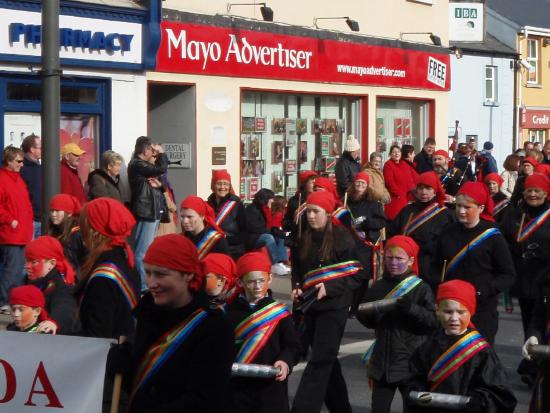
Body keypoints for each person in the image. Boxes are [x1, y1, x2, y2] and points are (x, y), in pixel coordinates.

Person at [125, 234, 234, 412]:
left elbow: (205, 398)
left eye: (161, 274)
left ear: (188, 275)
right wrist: (125, 368)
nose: (151, 283)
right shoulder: (148, 312)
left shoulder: (214, 327)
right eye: (148, 272)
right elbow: (143, 384)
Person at [290, 191, 362, 413]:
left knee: (320, 361)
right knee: (328, 359)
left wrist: (329, 287)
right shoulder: (304, 237)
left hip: (335, 306)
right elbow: (298, 270)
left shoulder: (344, 239)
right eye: (308, 211)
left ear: (328, 213)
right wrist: (296, 288)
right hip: (310, 306)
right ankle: (341, 408)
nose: (311, 216)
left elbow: (356, 274)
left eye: (316, 212)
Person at [407, 280, 517, 413]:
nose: (454, 318)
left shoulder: (481, 352)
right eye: (448, 312)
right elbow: (413, 378)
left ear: (471, 312)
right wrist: (416, 388)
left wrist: (480, 399)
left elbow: (500, 393)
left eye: (461, 312)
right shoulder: (427, 347)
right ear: (438, 311)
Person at [358, 235, 437, 413]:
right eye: (389, 258)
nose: (393, 263)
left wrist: (411, 309)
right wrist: (367, 313)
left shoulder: (421, 288)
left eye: (399, 259)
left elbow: (432, 322)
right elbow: (366, 318)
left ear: (410, 261)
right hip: (382, 364)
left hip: (411, 364)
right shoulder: (377, 286)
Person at [433, 182, 516, 344]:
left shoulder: (492, 236)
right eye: (458, 206)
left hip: (481, 308)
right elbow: (435, 266)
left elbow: (508, 274)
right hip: (451, 308)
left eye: (467, 207)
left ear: (481, 208)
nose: (461, 211)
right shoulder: (448, 232)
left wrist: (483, 290)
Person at [226, 251, 298, 413]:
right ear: (240, 281)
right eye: (251, 282)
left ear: (270, 278)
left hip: (270, 389)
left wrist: (285, 362)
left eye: (261, 280)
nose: (257, 286)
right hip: (237, 388)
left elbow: (292, 346)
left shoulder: (279, 312)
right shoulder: (229, 313)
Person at [75, 197, 140, 339]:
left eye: (84, 228)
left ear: (94, 232)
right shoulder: (125, 260)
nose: (81, 234)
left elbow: (98, 335)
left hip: (109, 357)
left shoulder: (103, 279)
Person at [388, 172, 455, 285]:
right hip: (404, 265)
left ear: (435, 190)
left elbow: (447, 244)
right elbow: (392, 232)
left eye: (428, 188)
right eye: (420, 188)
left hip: (429, 267)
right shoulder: (407, 210)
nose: (424, 192)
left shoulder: (446, 215)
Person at [334, 171, 386, 314]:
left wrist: (366, 222)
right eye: (358, 183)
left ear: (367, 186)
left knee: (362, 278)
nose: (359, 186)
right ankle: (347, 304)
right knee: (348, 275)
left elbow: (381, 222)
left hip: (365, 244)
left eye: (363, 183)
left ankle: (356, 306)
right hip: (348, 242)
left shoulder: (373, 204)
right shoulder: (346, 201)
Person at [127, 136, 169, 291]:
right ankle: (144, 287)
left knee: (146, 252)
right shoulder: (137, 164)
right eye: (152, 150)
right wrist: (162, 153)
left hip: (152, 212)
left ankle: (144, 285)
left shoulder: (142, 165)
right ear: (145, 150)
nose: (154, 153)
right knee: (141, 253)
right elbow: (161, 169)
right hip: (146, 212)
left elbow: (158, 173)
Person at [0, 145, 34, 314]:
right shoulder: (2, 178)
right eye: (19, 161)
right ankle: (3, 300)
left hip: (23, 231)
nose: (22, 164)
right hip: (10, 233)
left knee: (20, 269)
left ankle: (15, 301)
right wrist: (9, 220)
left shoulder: (18, 179)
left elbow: (25, 204)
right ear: (9, 161)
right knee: (12, 268)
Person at [24, 236, 77, 334]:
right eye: (27, 261)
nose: (27, 266)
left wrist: (54, 322)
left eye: (34, 262)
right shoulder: (33, 281)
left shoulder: (61, 285)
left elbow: (65, 307)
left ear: (52, 263)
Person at [245, 189, 290, 276]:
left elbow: (269, 226)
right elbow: (253, 227)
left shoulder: (264, 208)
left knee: (280, 236)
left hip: (260, 234)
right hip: (251, 238)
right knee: (268, 237)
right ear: (265, 198)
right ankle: (274, 263)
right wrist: (270, 231)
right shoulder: (252, 209)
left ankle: (280, 262)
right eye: (271, 198)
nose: (273, 200)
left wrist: (279, 233)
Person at [206, 169, 247, 260]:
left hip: (233, 251)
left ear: (229, 186)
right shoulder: (207, 205)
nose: (222, 187)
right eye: (219, 183)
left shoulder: (237, 205)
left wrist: (226, 239)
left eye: (225, 184)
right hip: (211, 249)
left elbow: (245, 233)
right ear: (213, 185)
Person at [47, 194, 87, 276]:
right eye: (52, 210)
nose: (53, 214)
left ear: (69, 213)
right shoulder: (51, 230)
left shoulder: (78, 234)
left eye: (57, 211)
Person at [180, 195, 229, 260]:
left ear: (202, 217)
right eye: (182, 217)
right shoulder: (180, 240)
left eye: (189, 217)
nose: (185, 221)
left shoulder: (217, 241)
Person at [383, 145, 418, 220]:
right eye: (394, 152)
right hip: (396, 199)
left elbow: (414, 177)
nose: (396, 154)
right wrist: (399, 194)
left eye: (398, 152)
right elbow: (390, 182)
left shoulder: (404, 164)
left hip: (407, 199)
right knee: (395, 222)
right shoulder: (388, 165)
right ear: (390, 154)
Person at [283, 170, 317, 247]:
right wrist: (295, 222)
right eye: (312, 182)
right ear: (304, 184)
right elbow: (286, 223)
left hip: (315, 238)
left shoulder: (320, 199)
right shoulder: (295, 200)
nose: (315, 185)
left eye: (316, 182)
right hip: (300, 239)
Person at [19, 134, 42, 239]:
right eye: (40, 147)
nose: (43, 149)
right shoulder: (21, 168)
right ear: (32, 149)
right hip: (30, 220)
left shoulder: (40, 167)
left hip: (43, 218)